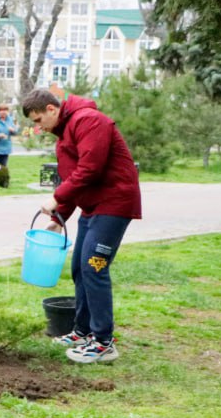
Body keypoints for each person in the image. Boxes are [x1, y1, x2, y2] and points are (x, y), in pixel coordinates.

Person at [21, 88, 141, 364]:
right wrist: (58, 218)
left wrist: (56, 198)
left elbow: (90, 169)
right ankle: (83, 331)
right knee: (79, 268)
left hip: (114, 204)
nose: (38, 126)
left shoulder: (89, 120)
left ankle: (103, 342)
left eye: (38, 120)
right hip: (93, 207)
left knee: (94, 267)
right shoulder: (65, 134)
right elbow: (72, 180)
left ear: (52, 109)